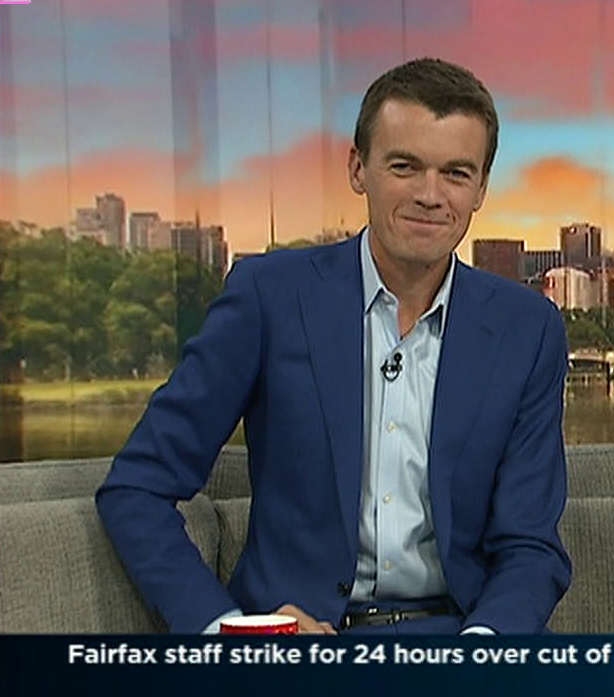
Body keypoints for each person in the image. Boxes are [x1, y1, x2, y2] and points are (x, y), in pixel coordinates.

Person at [96, 57, 572, 635]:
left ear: (481, 189)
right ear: (358, 168)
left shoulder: (528, 330)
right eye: (405, 166)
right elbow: (138, 487)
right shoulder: (270, 298)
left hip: (461, 639)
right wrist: (232, 631)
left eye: (455, 173)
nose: (430, 195)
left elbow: (530, 545)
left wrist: (482, 650)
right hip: (295, 640)